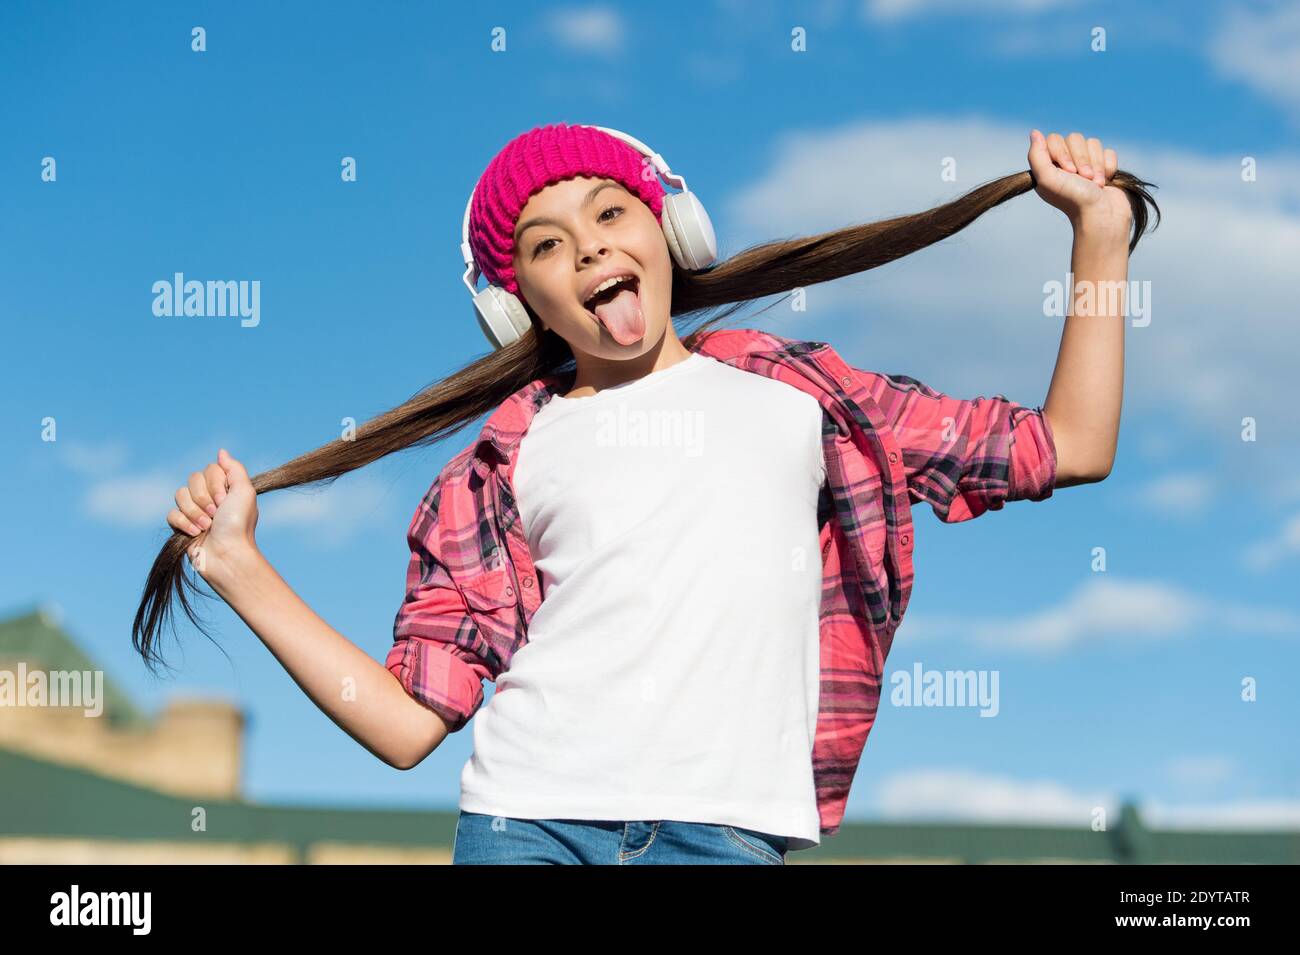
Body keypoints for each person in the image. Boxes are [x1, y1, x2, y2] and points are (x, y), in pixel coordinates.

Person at [136, 122, 1158, 865]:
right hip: (527, 829)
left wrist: (1099, 238)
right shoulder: (500, 464)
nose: (586, 247)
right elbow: (406, 723)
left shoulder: (803, 399)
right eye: (545, 244)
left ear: (669, 229)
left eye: (609, 211)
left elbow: (1067, 446)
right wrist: (237, 564)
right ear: (518, 303)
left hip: (727, 836)